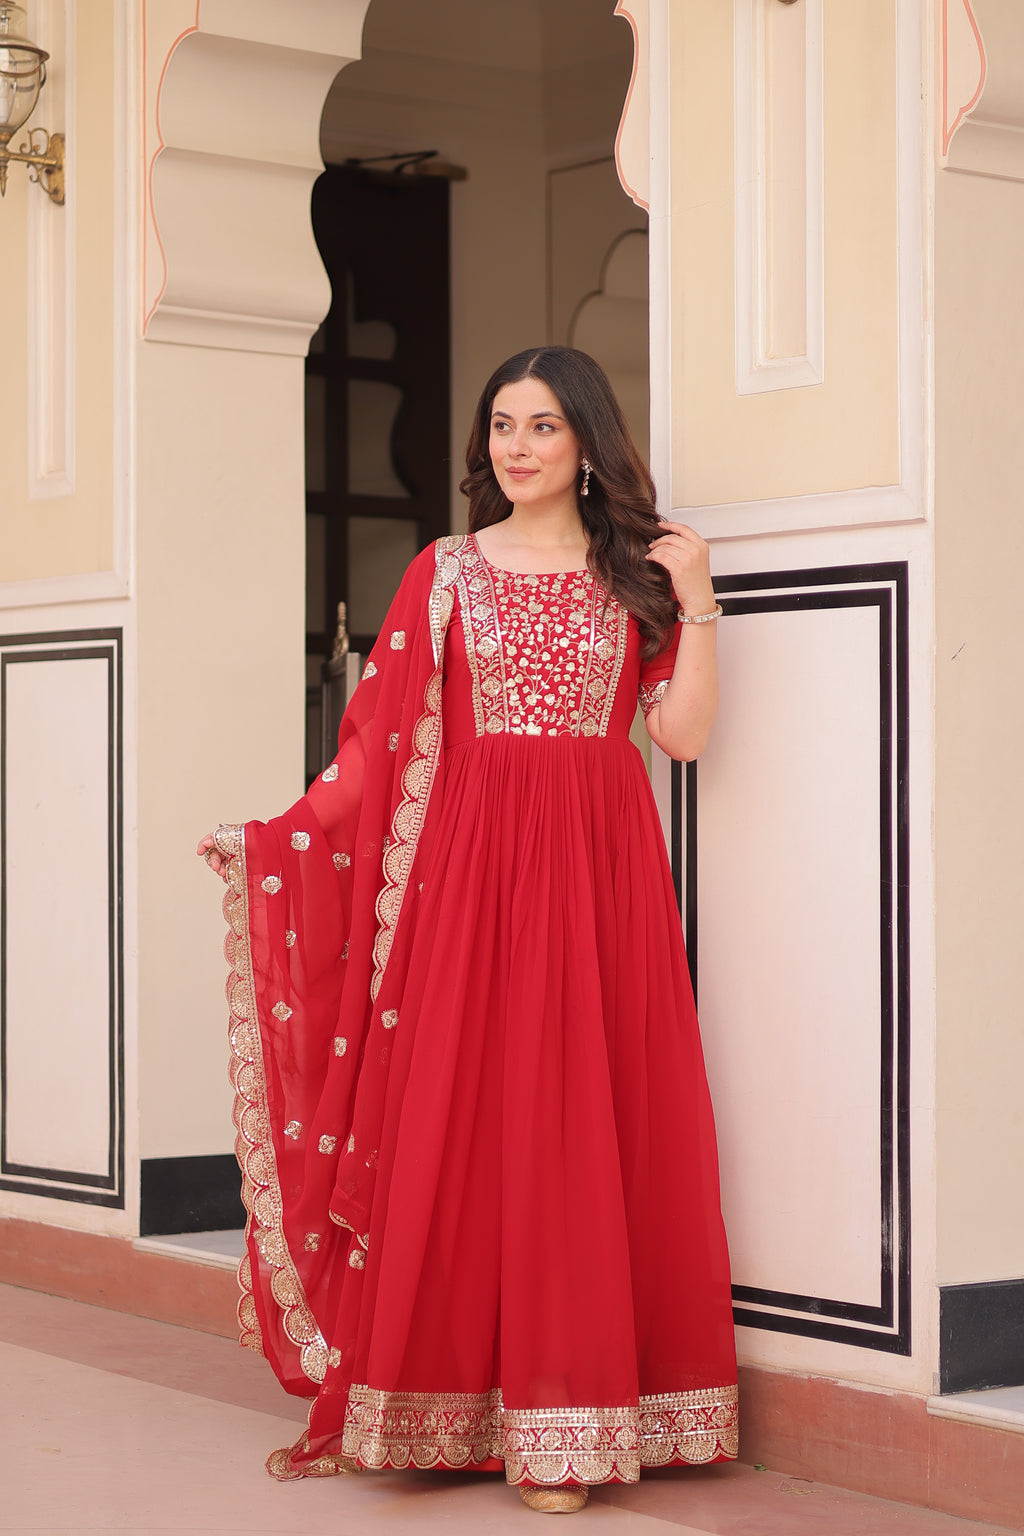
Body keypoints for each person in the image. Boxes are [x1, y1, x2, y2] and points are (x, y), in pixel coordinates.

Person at [198, 346, 737, 1515]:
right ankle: (445, 1405)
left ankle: (571, 1426)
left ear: (587, 443)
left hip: (602, 881)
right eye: (502, 425)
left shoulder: (630, 575)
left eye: (543, 426)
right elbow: (372, 752)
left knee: (584, 1130)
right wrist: (277, 844)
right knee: (467, 1124)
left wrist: (696, 600)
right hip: (470, 884)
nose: (518, 446)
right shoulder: (443, 573)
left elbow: (680, 736)